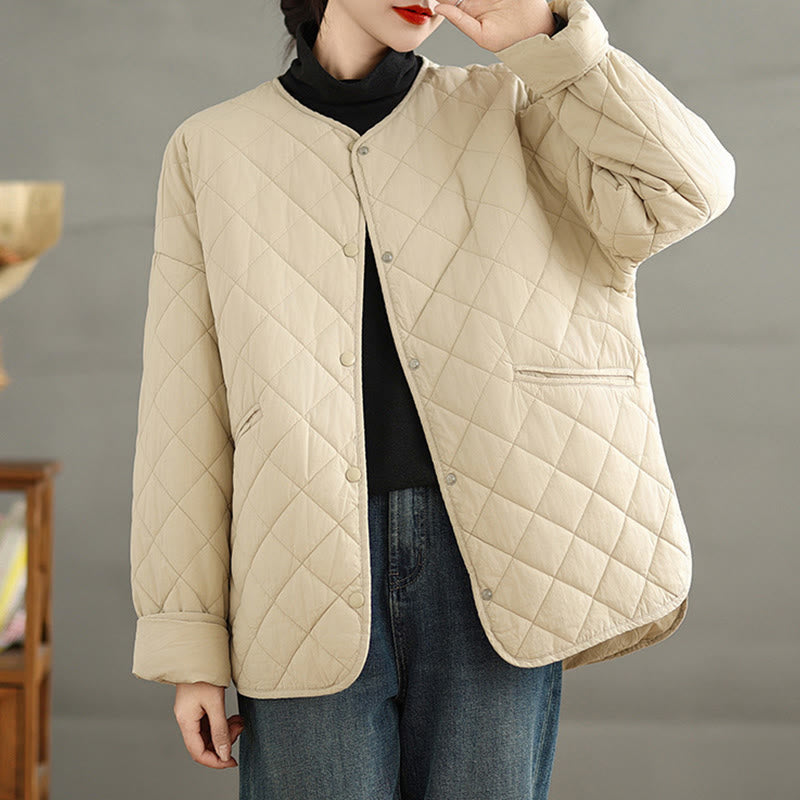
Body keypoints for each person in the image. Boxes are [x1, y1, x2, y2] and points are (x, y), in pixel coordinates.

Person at [130, 0, 736, 798]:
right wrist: (189, 644)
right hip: (295, 567)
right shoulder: (211, 148)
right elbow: (184, 409)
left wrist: (548, 40)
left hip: (496, 558)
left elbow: (686, 189)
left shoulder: (516, 104)